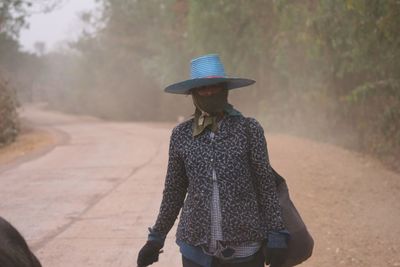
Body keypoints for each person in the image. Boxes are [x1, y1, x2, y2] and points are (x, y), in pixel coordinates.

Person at [137, 54, 289, 267]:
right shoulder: (181, 135)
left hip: (245, 248)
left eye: (214, 86)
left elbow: (265, 185)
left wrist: (277, 234)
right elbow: (174, 191)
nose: (209, 92)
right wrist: (156, 238)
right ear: (193, 93)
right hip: (195, 249)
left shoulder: (248, 129)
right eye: (202, 88)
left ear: (224, 89)